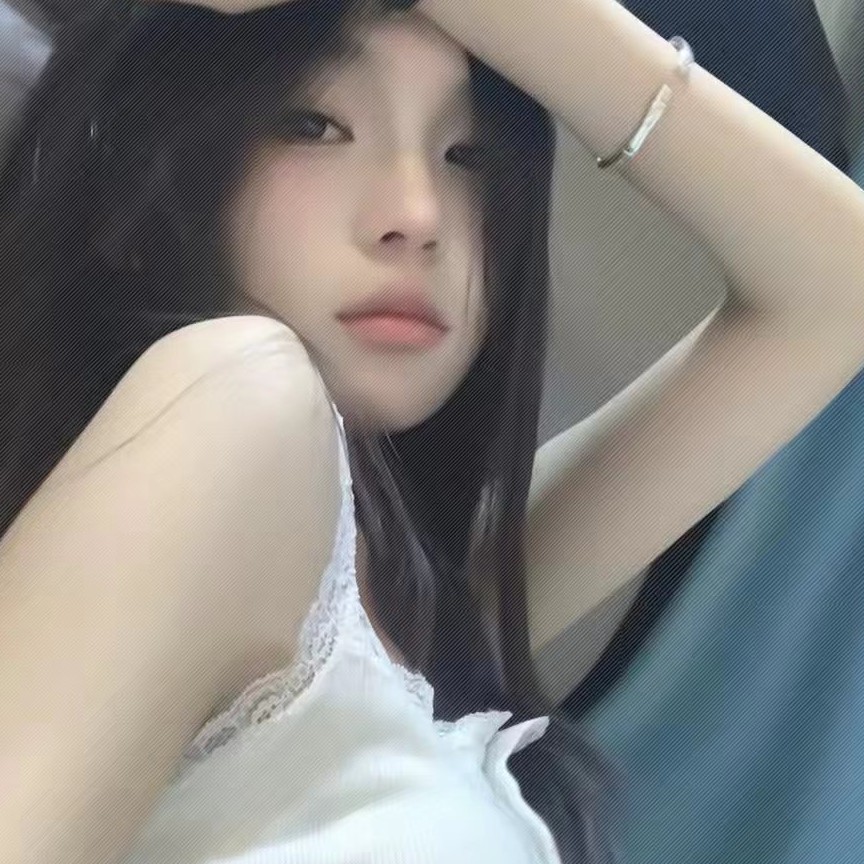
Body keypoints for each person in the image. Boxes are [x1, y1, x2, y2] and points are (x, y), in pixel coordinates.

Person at [1, 0, 864, 862]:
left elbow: (836, 290)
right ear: (145, 184)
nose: (418, 215)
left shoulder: (435, 609)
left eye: (470, 155)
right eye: (313, 124)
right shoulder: (239, 393)